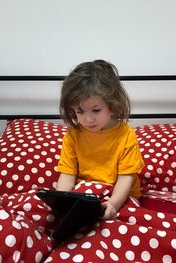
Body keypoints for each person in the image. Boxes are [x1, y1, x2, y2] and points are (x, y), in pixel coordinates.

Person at [56, 59, 144, 220]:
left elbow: (126, 179)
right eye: (79, 112)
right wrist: (61, 201)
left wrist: (112, 205)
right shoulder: (73, 135)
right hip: (85, 194)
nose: (88, 119)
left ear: (113, 104)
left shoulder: (125, 135)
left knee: (121, 225)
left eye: (96, 110)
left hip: (119, 196)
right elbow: (67, 175)